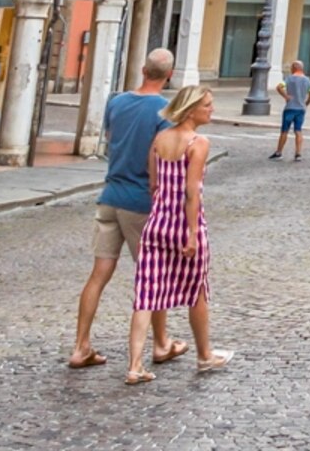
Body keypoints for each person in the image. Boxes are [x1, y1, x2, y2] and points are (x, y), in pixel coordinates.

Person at [72, 48, 181, 371]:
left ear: (143, 70)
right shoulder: (165, 111)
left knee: (98, 274)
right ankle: (161, 344)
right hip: (140, 201)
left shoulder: (117, 102)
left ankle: (80, 346)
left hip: (110, 195)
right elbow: (159, 156)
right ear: (169, 76)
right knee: (153, 277)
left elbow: (110, 138)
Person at [124, 86, 229, 383]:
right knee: (197, 289)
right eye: (207, 105)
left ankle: (134, 366)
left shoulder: (160, 139)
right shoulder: (198, 142)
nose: (212, 109)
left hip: (156, 224)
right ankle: (204, 355)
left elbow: (154, 185)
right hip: (183, 226)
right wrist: (193, 233)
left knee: (145, 296)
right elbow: (191, 192)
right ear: (191, 109)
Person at [271, 61, 310, 161]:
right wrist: (306, 103)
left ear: (294, 67)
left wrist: (286, 96)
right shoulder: (307, 80)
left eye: (291, 67)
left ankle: (279, 152)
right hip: (301, 109)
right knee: (298, 130)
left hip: (290, 108)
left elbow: (279, 87)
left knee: (284, 130)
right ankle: (298, 153)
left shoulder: (289, 78)